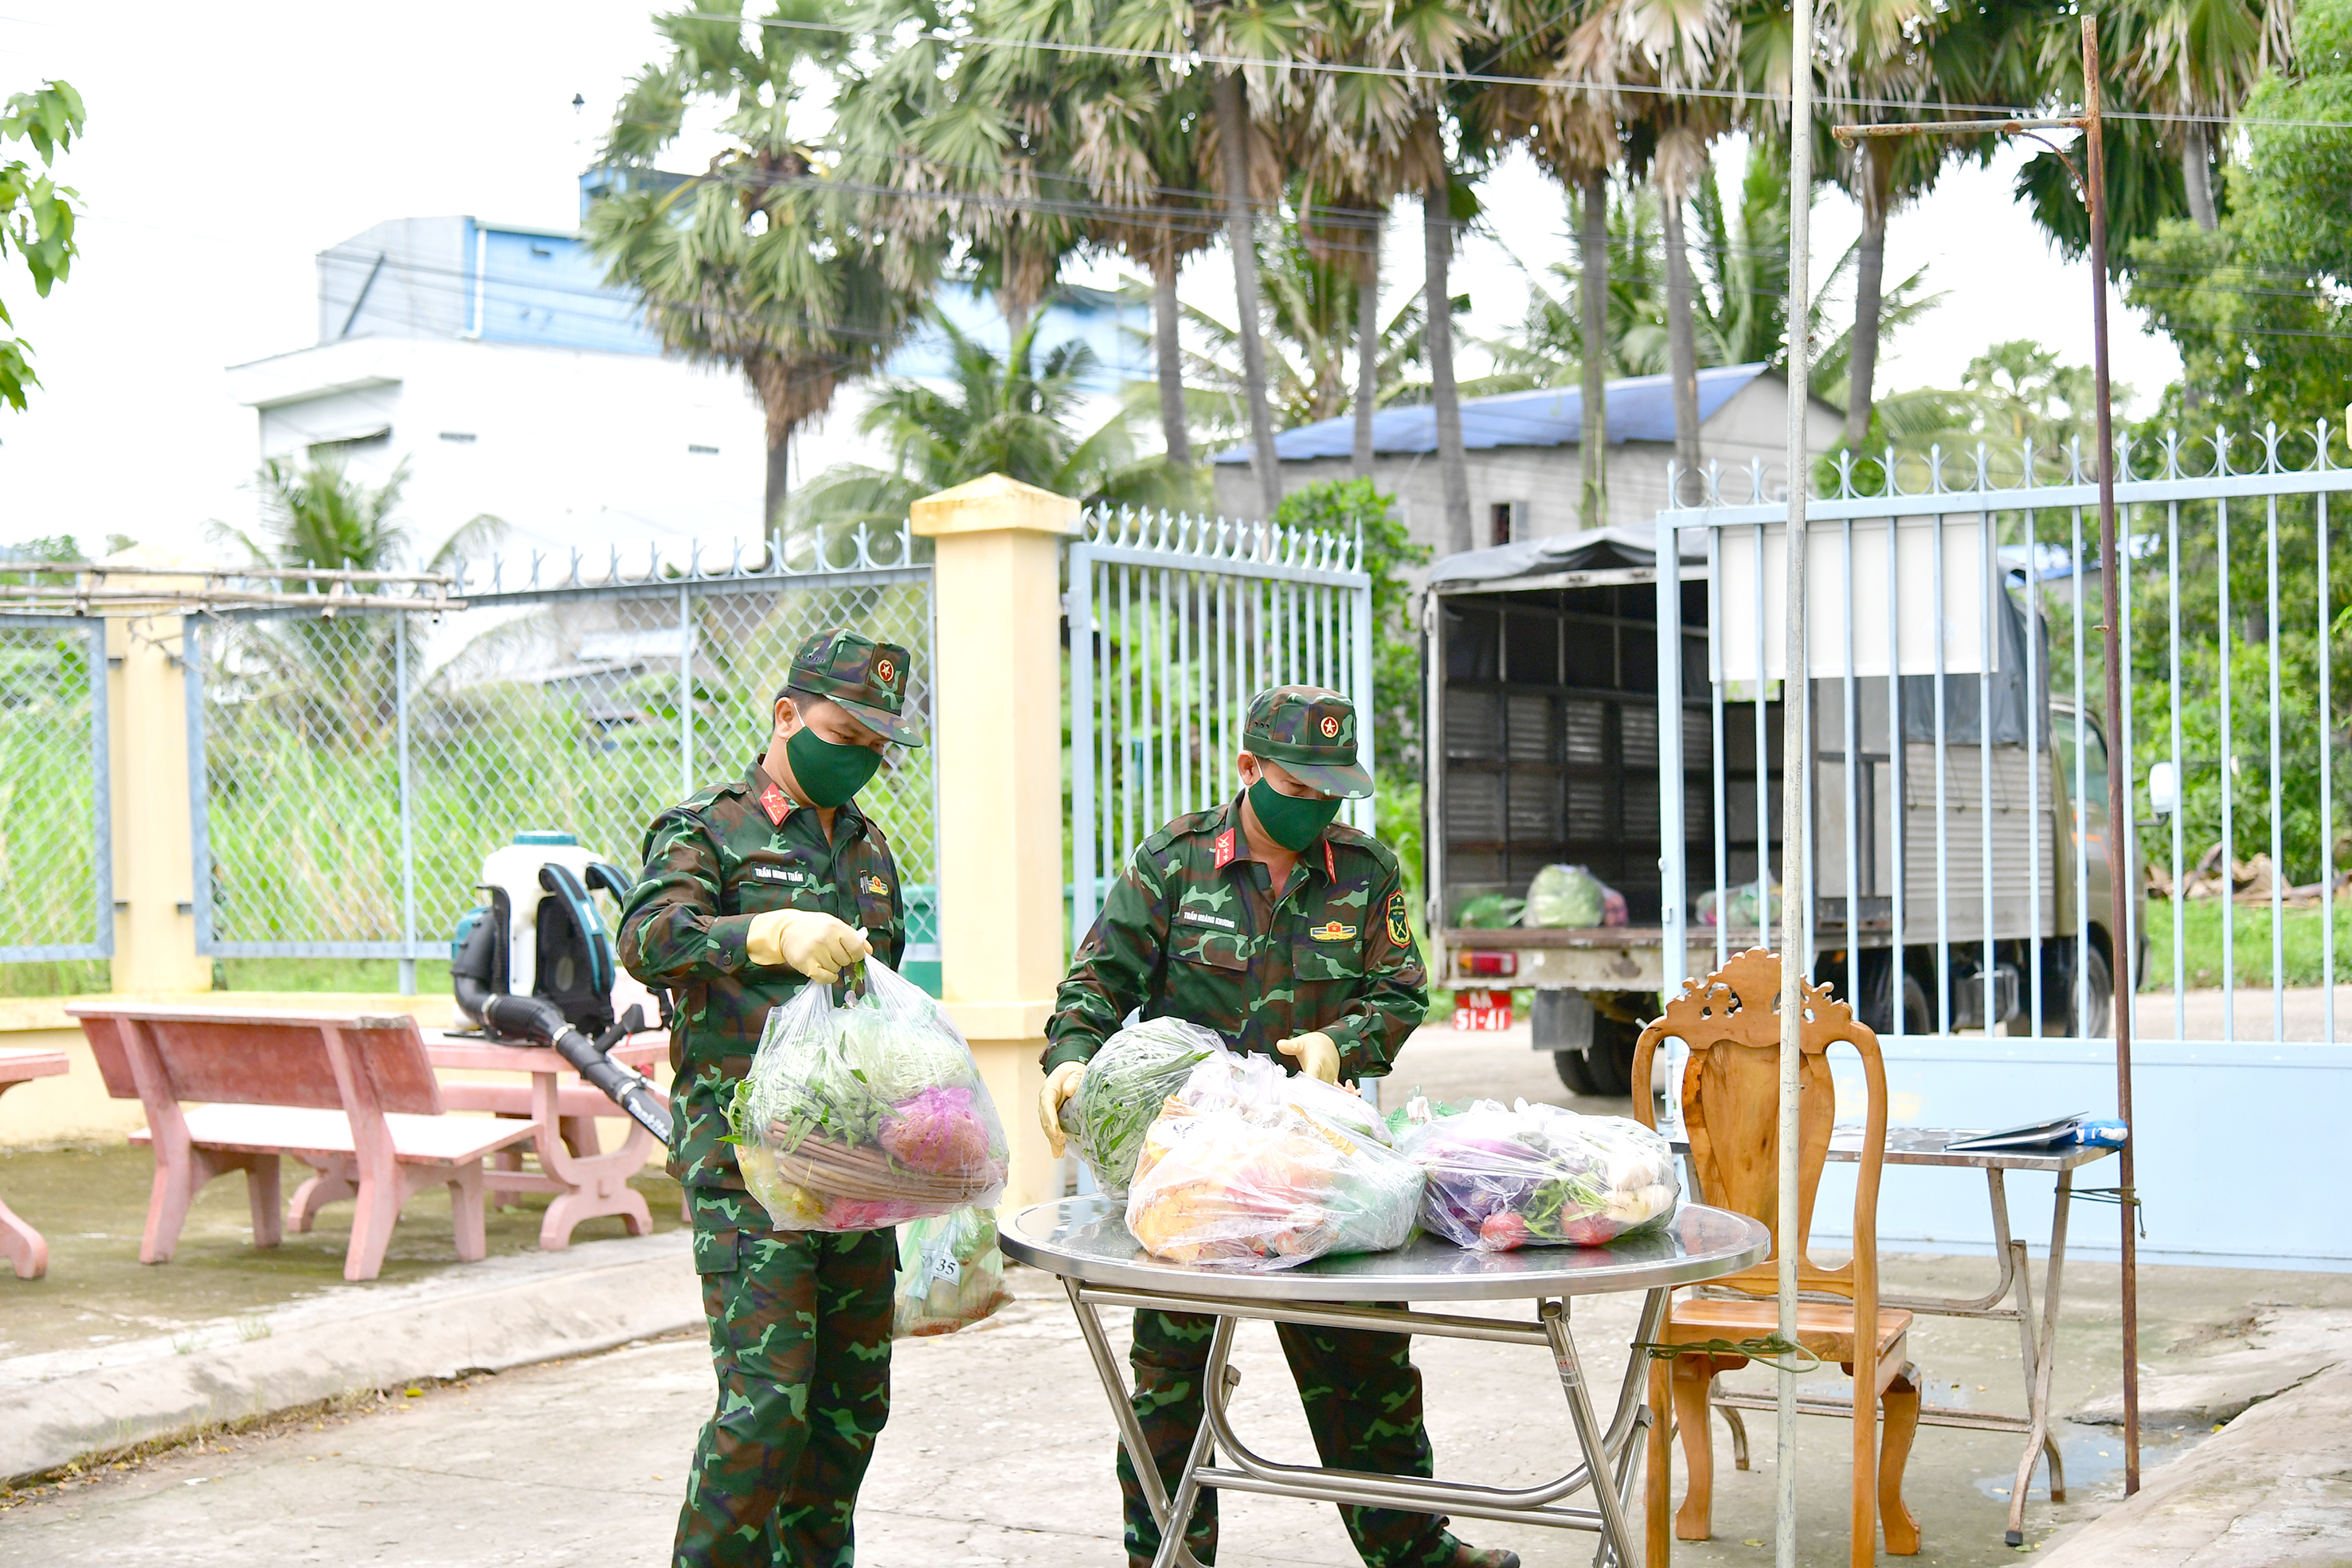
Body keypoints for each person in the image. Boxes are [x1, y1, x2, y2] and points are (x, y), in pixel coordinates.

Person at [1041, 684, 1520, 1568]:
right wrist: (1070, 1058)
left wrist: (1342, 1043)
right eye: (1298, 789)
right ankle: (1169, 1552)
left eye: (1330, 790)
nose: (1316, 807)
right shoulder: (1176, 863)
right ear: (1249, 769)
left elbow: (1400, 991)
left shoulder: (1366, 871)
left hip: (1321, 1166)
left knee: (1365, 1364)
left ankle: (1412, 1547)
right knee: (1168, 1383)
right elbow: (1097, 983)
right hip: (1192, 1170)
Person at [618, 628, 924, 1568]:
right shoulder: (707, 828)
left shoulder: (869, 850)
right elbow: (648, 936)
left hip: (850, 1169)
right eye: (845, 733)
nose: (861, 759)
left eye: (878, 747)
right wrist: (769, 932)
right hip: (747, 1169)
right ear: (786, 714)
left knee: (846, 1411)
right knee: (765, 1411)